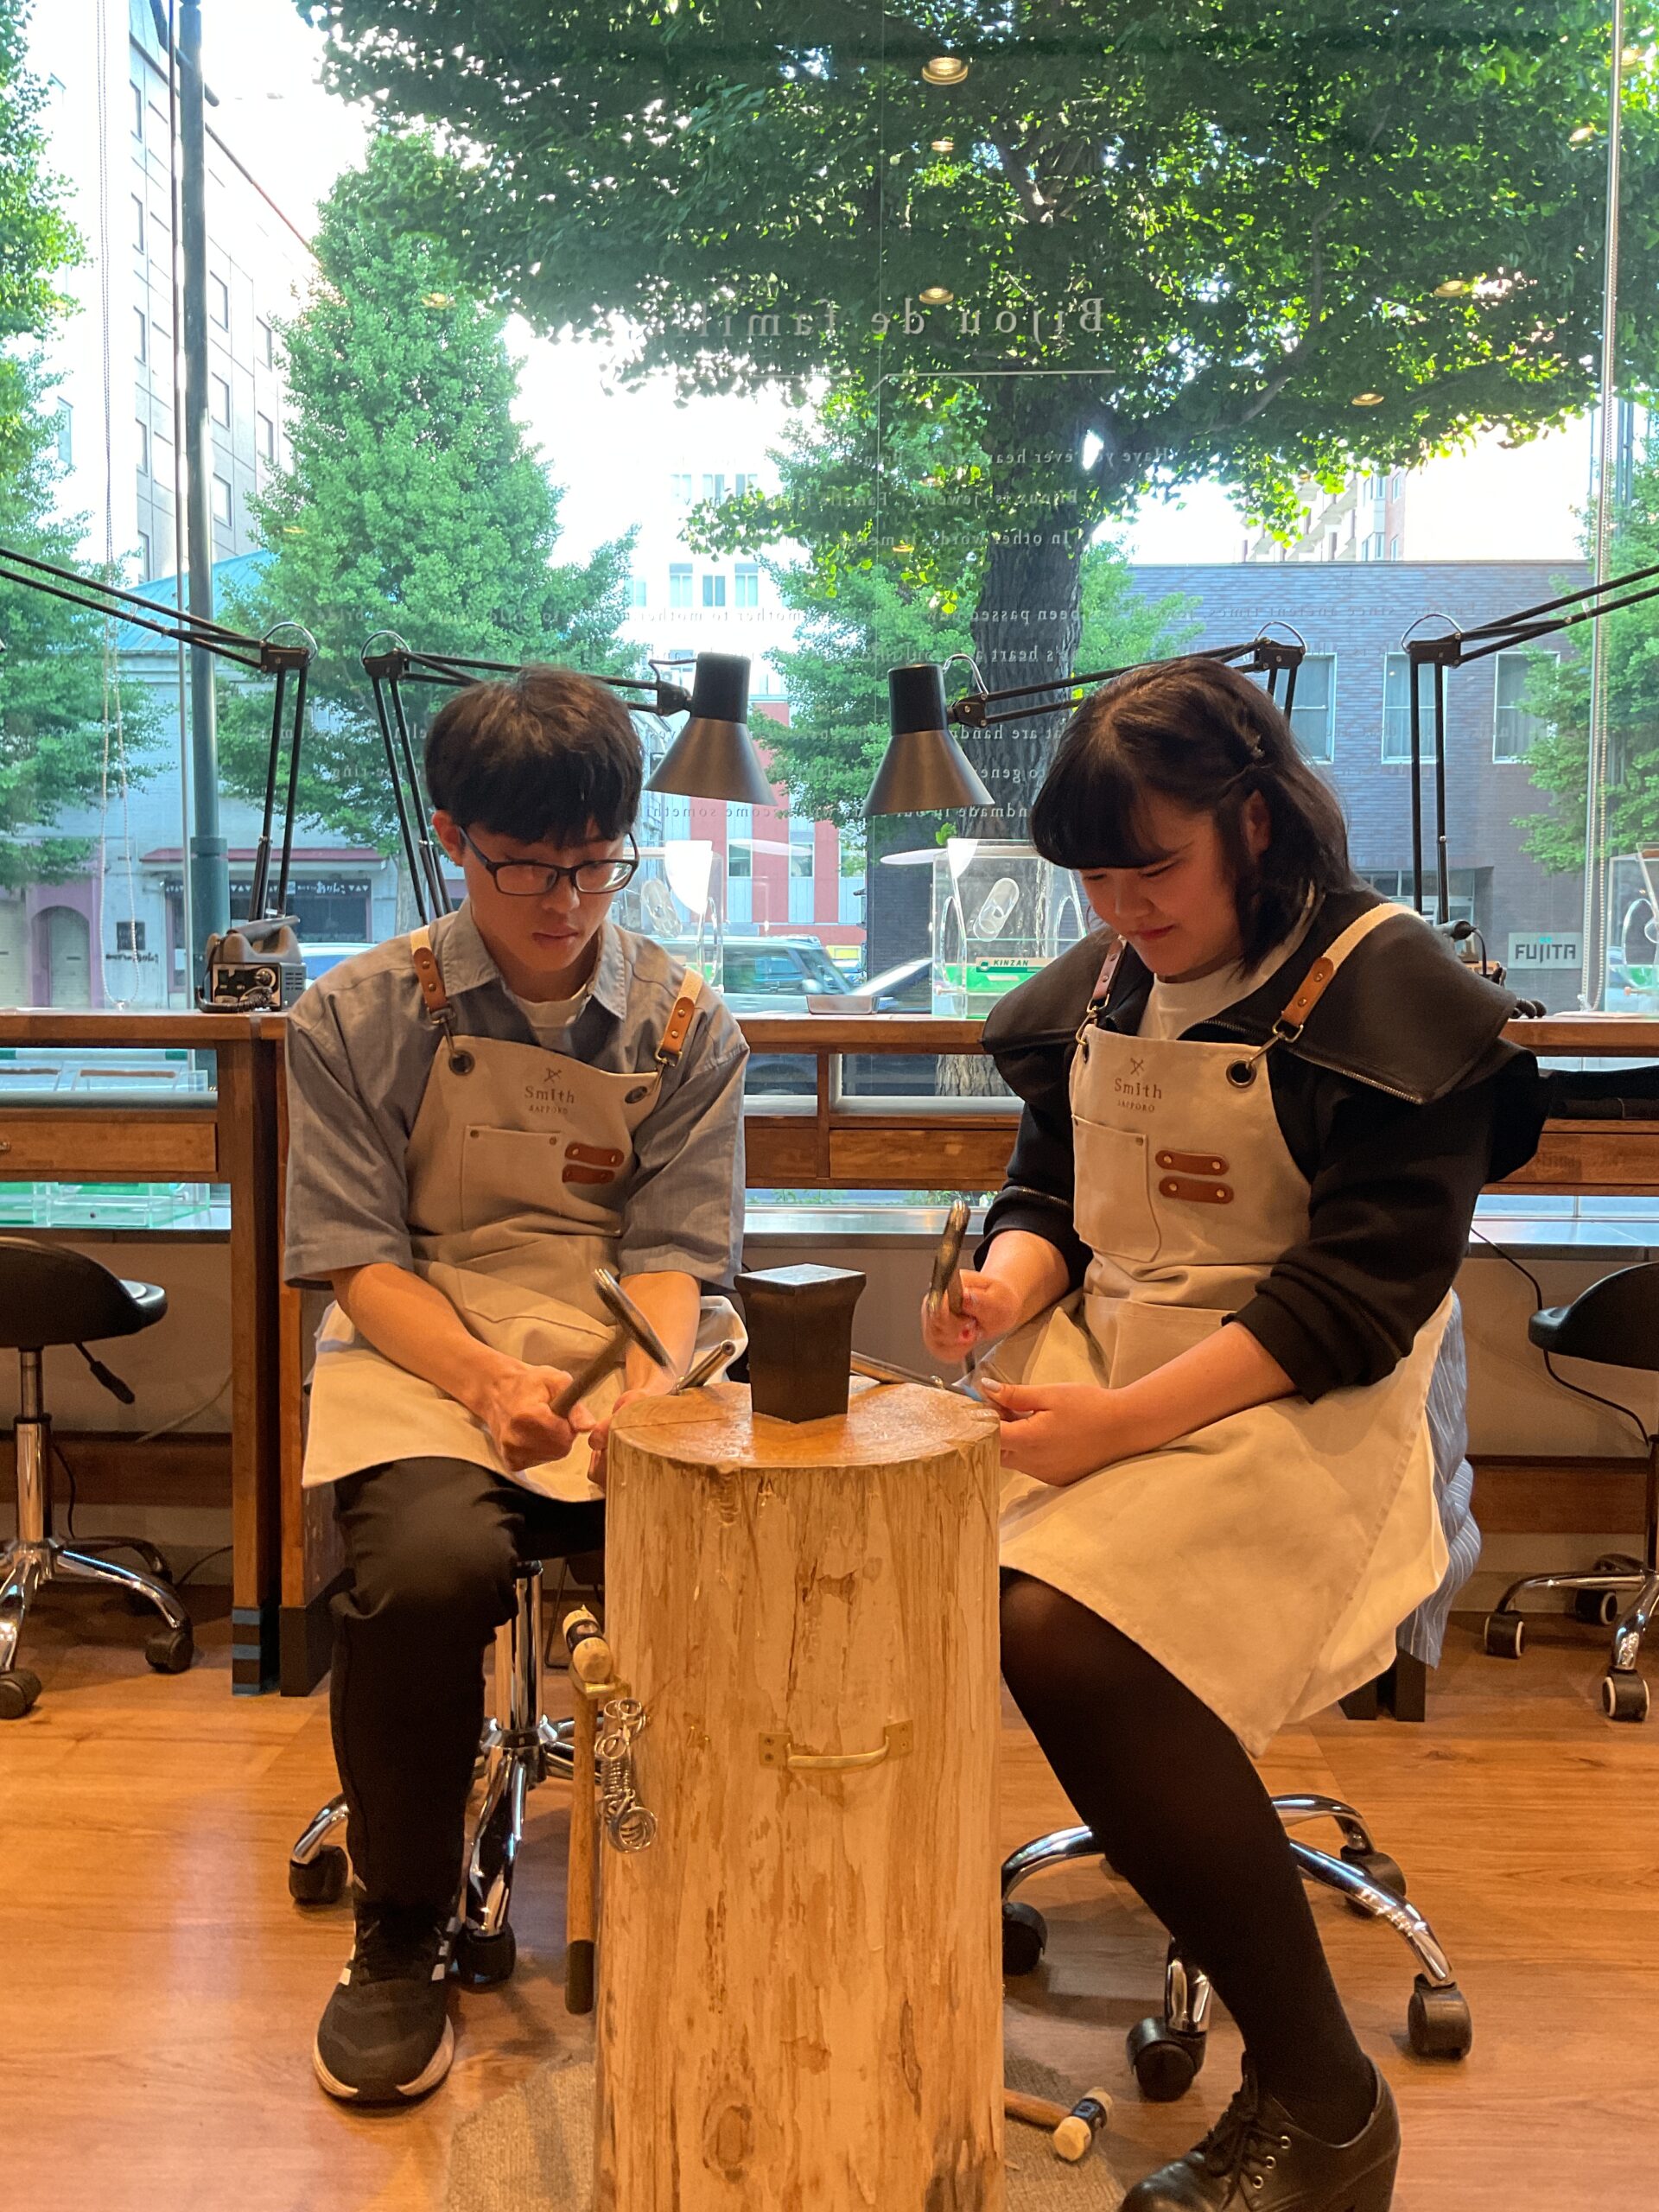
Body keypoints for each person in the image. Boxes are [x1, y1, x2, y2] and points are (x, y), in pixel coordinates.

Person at [920, 659, 1545, 2212]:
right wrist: (1002, 1291)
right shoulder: (1111, 986)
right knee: (903, 1554)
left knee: (1062, 1633)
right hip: (1114, 1373)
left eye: (1153, 868)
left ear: (1253, 821)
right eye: (1093, 882)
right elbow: (1052, 1195)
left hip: (1310, 1405)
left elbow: (1351, 1302)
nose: (1122, 910)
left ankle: (1326, 2103)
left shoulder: (1386, 989)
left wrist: (1119, 1426)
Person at [283, 666, 747, 2107]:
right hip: (428, 1346)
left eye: (598, 864)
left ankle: (712, 1890)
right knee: (423, 1571)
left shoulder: (684, 1024)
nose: (567, 902)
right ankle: (402, 1921)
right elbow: (359, 1260)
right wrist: (490, 1383)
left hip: (624, 1343)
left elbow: (674, 1259)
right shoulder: (357, 1015)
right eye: (528, 868)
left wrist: (631, 1391)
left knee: (731, 1547)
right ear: (451, 839)